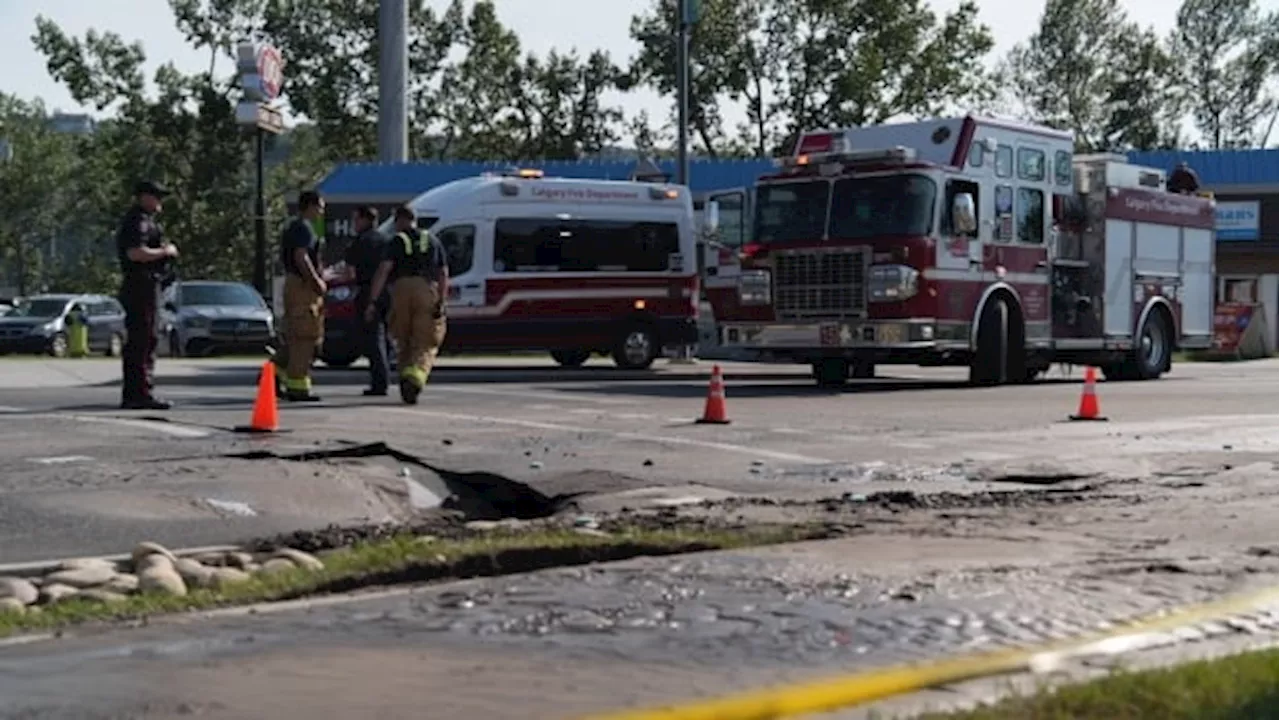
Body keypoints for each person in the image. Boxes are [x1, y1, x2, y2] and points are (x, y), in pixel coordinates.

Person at [366, 205, 448, 405]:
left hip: (401, 290)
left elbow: (384, 271)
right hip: (426, 289)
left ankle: (405, 379)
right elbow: (443, 273)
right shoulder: (432, 240)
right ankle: (416, 377)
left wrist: (373, 301)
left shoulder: (396, 241)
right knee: (425, 340)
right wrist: (441, 301)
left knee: (403, 338)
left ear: (400, 221)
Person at [116, 180, 179, 410]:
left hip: (146, 284)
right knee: (143, 340)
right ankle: (139, 392)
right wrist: (165, 252)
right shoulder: (138, 221)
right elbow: (135, 253)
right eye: (156, 196)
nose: (159, 201)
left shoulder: (144, 221)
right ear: (143, 197)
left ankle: (137, 391)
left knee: (145, 339)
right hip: (140, 285)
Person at [278, 190, 328, 402]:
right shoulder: (304, 228)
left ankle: (273, 375)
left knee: (294, 337)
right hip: (302, 288)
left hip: (296, 285)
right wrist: (316, 281)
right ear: (310, 206)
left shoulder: (295, 227)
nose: (322, 211)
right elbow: (301, 256)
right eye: (320, 206)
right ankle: (298, 387)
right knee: (304, 338)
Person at [343, 206, 392, 396]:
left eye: (356, 220)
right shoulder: (386, 240)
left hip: (367, 291)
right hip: (387, 292)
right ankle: (385, 374)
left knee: (372, 339)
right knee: (385, 337)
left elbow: (349, 272)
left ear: (364, 220)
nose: (354, 224)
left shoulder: (359, 242)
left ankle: (379, 383)